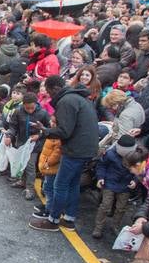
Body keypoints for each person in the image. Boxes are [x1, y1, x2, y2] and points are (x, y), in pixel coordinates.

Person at [30, 75, 100, 232]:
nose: (49, 95)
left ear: (55, 88)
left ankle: (53, 220)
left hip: (76, 149)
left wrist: (45, 131)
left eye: (49, 92)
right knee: (73, 183)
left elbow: (64, 131)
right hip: (87, 148)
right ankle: (69, 219)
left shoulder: (66, 101)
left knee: (60, 184)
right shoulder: (79, 98)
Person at [91, 136, 141, 241]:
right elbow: (102, 165)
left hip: (126, 185)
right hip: (109, 183)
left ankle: (115, 226)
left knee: (121, 208)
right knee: (105, 206)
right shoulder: (109, 154)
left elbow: (139, 170)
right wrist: (100, 177)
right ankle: (98, 227)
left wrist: (135, 180)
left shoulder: (136, 156)